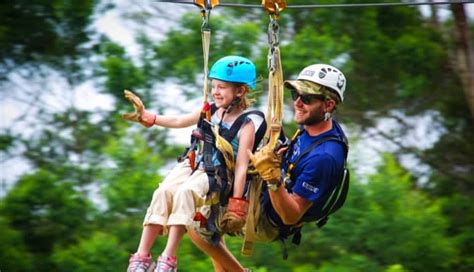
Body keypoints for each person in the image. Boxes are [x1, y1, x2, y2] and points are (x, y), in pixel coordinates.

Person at [187, 63, 349, 271]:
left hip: (270, 219)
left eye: (306, 98)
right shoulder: (315, 124)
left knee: (196, 221)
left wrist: (273, 179)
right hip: (266, 191)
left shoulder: (325, 158)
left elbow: (291, 216)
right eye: (295, 95)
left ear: (328, 106)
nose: (297, 103)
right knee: (210, 203)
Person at [123, 55, 266, 272]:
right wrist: (149, 117)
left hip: (216, 173)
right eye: (214, 86)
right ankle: (141, 257)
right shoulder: (209, 110)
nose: (216, 91)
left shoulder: (246, 126)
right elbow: (180, 121)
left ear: (240, 91)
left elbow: (242, 167)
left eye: (222, 87)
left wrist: (237, 204)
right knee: (163, 192)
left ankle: (168, 259)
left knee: (185, 193)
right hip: (194, 162)